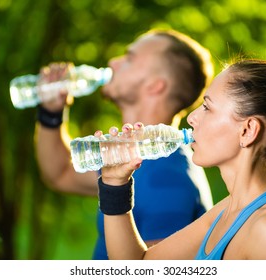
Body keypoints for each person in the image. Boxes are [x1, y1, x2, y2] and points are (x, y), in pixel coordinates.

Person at [96, 59, 266, 260]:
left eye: (207, 108)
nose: (191, 118)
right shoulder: (228, 210)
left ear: (248, 131)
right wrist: (115, 183)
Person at [34, 29, 215, 259]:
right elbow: (59, 173)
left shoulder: (167, 177)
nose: (113, 62)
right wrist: (51, 113)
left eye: (129, 58)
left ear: (155, 85)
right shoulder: (136, 157)